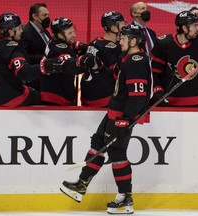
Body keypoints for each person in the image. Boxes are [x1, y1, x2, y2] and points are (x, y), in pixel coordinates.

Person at [60, 24, 152, 215]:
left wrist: (126, 119)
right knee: (97, 142)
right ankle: (82, 183)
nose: (120, 41)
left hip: (121, 115)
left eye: (124, 38)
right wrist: (99, 67)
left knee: (117, 154)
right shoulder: (127, 58)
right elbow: (118, 79)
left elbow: (138, 96)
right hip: (114, 111)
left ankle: (125, 198)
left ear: (134, 41)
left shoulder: (136, 61)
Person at [0, 13, 62, 107]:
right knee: (42, 97)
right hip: (8, 98)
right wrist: (43, 67)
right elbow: (24, 73)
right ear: (10, 32)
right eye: (19, 29)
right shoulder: (12, 48)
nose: (22, 31)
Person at [151, 11, 198, 106]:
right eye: (194, 25)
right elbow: (154, 73)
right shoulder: (163, 44)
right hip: (170, 104)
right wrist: (158, 93)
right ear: (184, 28)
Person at [40, 17, 93, 106]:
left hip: (51, 91)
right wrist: (81, 62)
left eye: (73, 31)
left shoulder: (53, 41)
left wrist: (75, 46)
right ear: (60, 35)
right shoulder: (60, 49)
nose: (74, 35)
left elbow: (68, 46)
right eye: (70, 33)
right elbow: (69, 65)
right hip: (57, 98)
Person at [80, 11, 126, 107]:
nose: (125, 28)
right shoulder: (114, 48)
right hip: (104, 98)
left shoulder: (95, 42)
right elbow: (117, 74)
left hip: (87, 95)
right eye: (122, 25)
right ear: (114, 28)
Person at [19, 3, 52, 91]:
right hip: (34, 81)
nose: (48, 18)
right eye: (44, 15)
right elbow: (24, 56)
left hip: (46, 80)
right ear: (34, 16)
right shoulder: (25, 32)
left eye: (48, 15)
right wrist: (44, 59)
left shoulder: (46, 32)